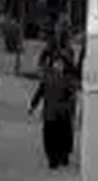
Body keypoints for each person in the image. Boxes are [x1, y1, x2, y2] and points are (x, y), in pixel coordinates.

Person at [29, 35, 80, 171]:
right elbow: (40, 91)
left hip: (63, 113)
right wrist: (33, 105)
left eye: (60, 64)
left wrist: (69, 107)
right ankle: (53, 158)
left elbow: (72, 94)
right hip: (50, 112)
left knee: (64, 135)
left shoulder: (68, 79)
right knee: (50, 136)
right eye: (56, 63)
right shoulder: (48, 77)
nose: (58, 66)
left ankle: (63, 156)